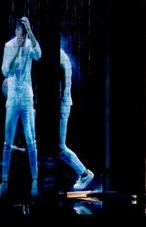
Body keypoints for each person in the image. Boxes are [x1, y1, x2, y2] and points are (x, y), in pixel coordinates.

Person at [0, 17, 41, 199]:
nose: (22, 37)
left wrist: (31, 32)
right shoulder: (9, 46)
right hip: (13, 97)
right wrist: (17, 51)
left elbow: (39, 54)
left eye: (24, 33)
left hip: (27, 97)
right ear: (15, 32)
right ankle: (4, 182)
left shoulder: (30, 43)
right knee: (7, 141)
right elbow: (6, 71)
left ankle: (35, 181)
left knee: (31, 140)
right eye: (20, 33)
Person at [58, 46, 95, 191]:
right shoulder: (61, 57)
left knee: (59, 147)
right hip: (61, 105)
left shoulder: (60, 59)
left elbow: (62, 89)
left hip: (61, 106)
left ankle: (85, 173)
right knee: (55, 147)